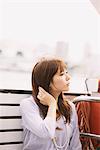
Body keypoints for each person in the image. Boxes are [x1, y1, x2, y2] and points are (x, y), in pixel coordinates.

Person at [20, 57, 82, 150]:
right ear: (48, 81)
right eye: (61, 74)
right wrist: (52, 104)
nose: (68, 77)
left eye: (66, 73)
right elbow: (45, 133)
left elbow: (75, 145)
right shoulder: (28, 105)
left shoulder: (69, 107)